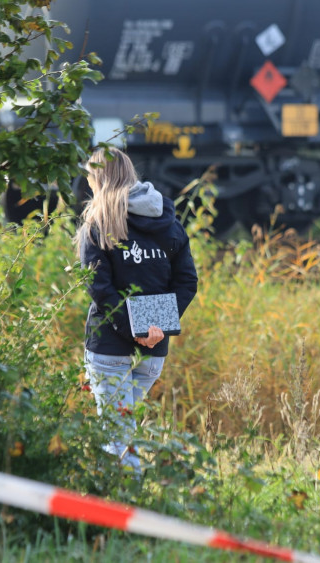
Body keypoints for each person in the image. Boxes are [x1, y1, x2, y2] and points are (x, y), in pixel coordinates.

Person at [75, 146, 198, 473]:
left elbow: (99, 288)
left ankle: (130, 502)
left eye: (89, 177)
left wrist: (134, 328)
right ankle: (107, 505)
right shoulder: (167, 219)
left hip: (110, 348)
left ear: (99, 178)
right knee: (118, 431)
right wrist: (151, 328)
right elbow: (187, 282)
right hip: (153, 351)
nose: (88, 184)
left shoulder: (98, 221)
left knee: (117, 437)